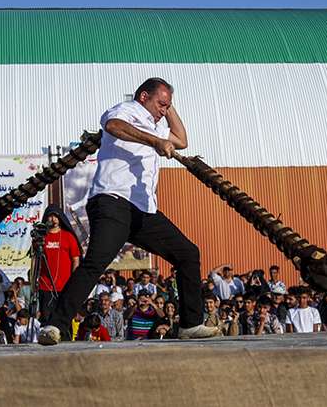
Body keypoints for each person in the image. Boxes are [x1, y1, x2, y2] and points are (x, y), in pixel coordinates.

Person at [39, 78, 220, 344]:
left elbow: (181, 140)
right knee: (96, 262)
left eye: (167, 106)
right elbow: (113, 126)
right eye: (160, 104)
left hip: (143, 210)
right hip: (112, 200)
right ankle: (55, 324)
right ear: (144, 96)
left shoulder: (157, 124)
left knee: (187, 253)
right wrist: (154, 141)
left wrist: (167, 109)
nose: (163, 110)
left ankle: (190, 324)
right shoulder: (127, 111)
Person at [37, 204, 81, 321]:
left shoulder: (68, 237)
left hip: (64, 286)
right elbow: (35, 258)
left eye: (56, 216)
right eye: (50, 216)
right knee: (46, 319)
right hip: (45, 286)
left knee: (63, 319)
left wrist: (74, 280)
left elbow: (75, 259)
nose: (53, 219)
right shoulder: (41, 237)